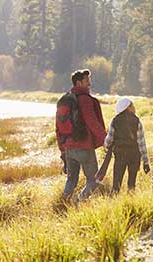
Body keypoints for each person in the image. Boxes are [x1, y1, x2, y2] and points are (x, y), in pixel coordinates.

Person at [55, 69, 106, 202]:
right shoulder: (84, 99)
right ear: (78, 83)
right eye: (86, 81)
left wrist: (62, 150)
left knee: (71, 180)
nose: (89, 83)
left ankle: (63, 204)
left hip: (69, 148)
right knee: (94, 180)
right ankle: (79, 202)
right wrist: (105, 138)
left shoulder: (65, 100)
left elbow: (58, 128)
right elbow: (91, 121)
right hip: (84, 146)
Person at [104, 98, 150, 194]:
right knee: (132, 183)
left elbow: (109, 140)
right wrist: (145, 161)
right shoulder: (137, 120)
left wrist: (106, 147)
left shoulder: (115, 120)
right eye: (132, 105)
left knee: (116, 183)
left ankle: (113, 201)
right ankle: (130, 201)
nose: (134, 107)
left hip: (120, 155)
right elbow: (141, 143)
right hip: (134, 155)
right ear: (127, 108)